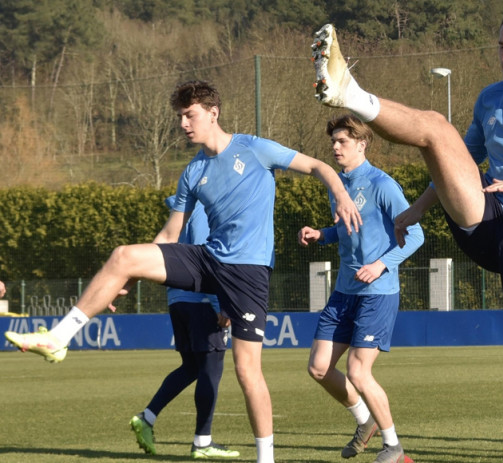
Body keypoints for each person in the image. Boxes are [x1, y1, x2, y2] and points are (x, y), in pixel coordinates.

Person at [311, 6, 503, 463]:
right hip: (486, 214)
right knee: (435, 126)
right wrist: (415, 210)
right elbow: (456, 160)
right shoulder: (490, 99)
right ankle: (350, 93)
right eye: (501, 46)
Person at [5, 80, 362, 463]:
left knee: (246, 371)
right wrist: (130, 275)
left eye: (189, 115)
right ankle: (58, 338)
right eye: (179, 117)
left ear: (213, 113)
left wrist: (341, 196)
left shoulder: (253, 148)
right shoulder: (192, 173)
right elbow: (171, 234)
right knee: (123, 256)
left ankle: (266, 459)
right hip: (208, 259)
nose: (183, 124)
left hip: (247, 274)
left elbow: (316, 165)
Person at [299, 115, 424, 463]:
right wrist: (322, 234)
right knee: (319, 368)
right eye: (333, 142)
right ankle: (364, 420)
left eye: (342, 141)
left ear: (362, 144)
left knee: (357, 371)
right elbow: (347, 230)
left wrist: (381, 264)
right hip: (344, 291)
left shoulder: (382, 185)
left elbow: (416, 235)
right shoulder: (336, 185)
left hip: (378, 292)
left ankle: (394, 447)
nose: (335, 147)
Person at [129, 196, 238, 460]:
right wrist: (219, 302)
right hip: (200, 300)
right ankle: (203, 443)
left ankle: (147, 417)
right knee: (211, 369)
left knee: (191, 367)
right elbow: (205, 255)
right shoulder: (202, 207)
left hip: (178, 299)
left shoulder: (182, 209)